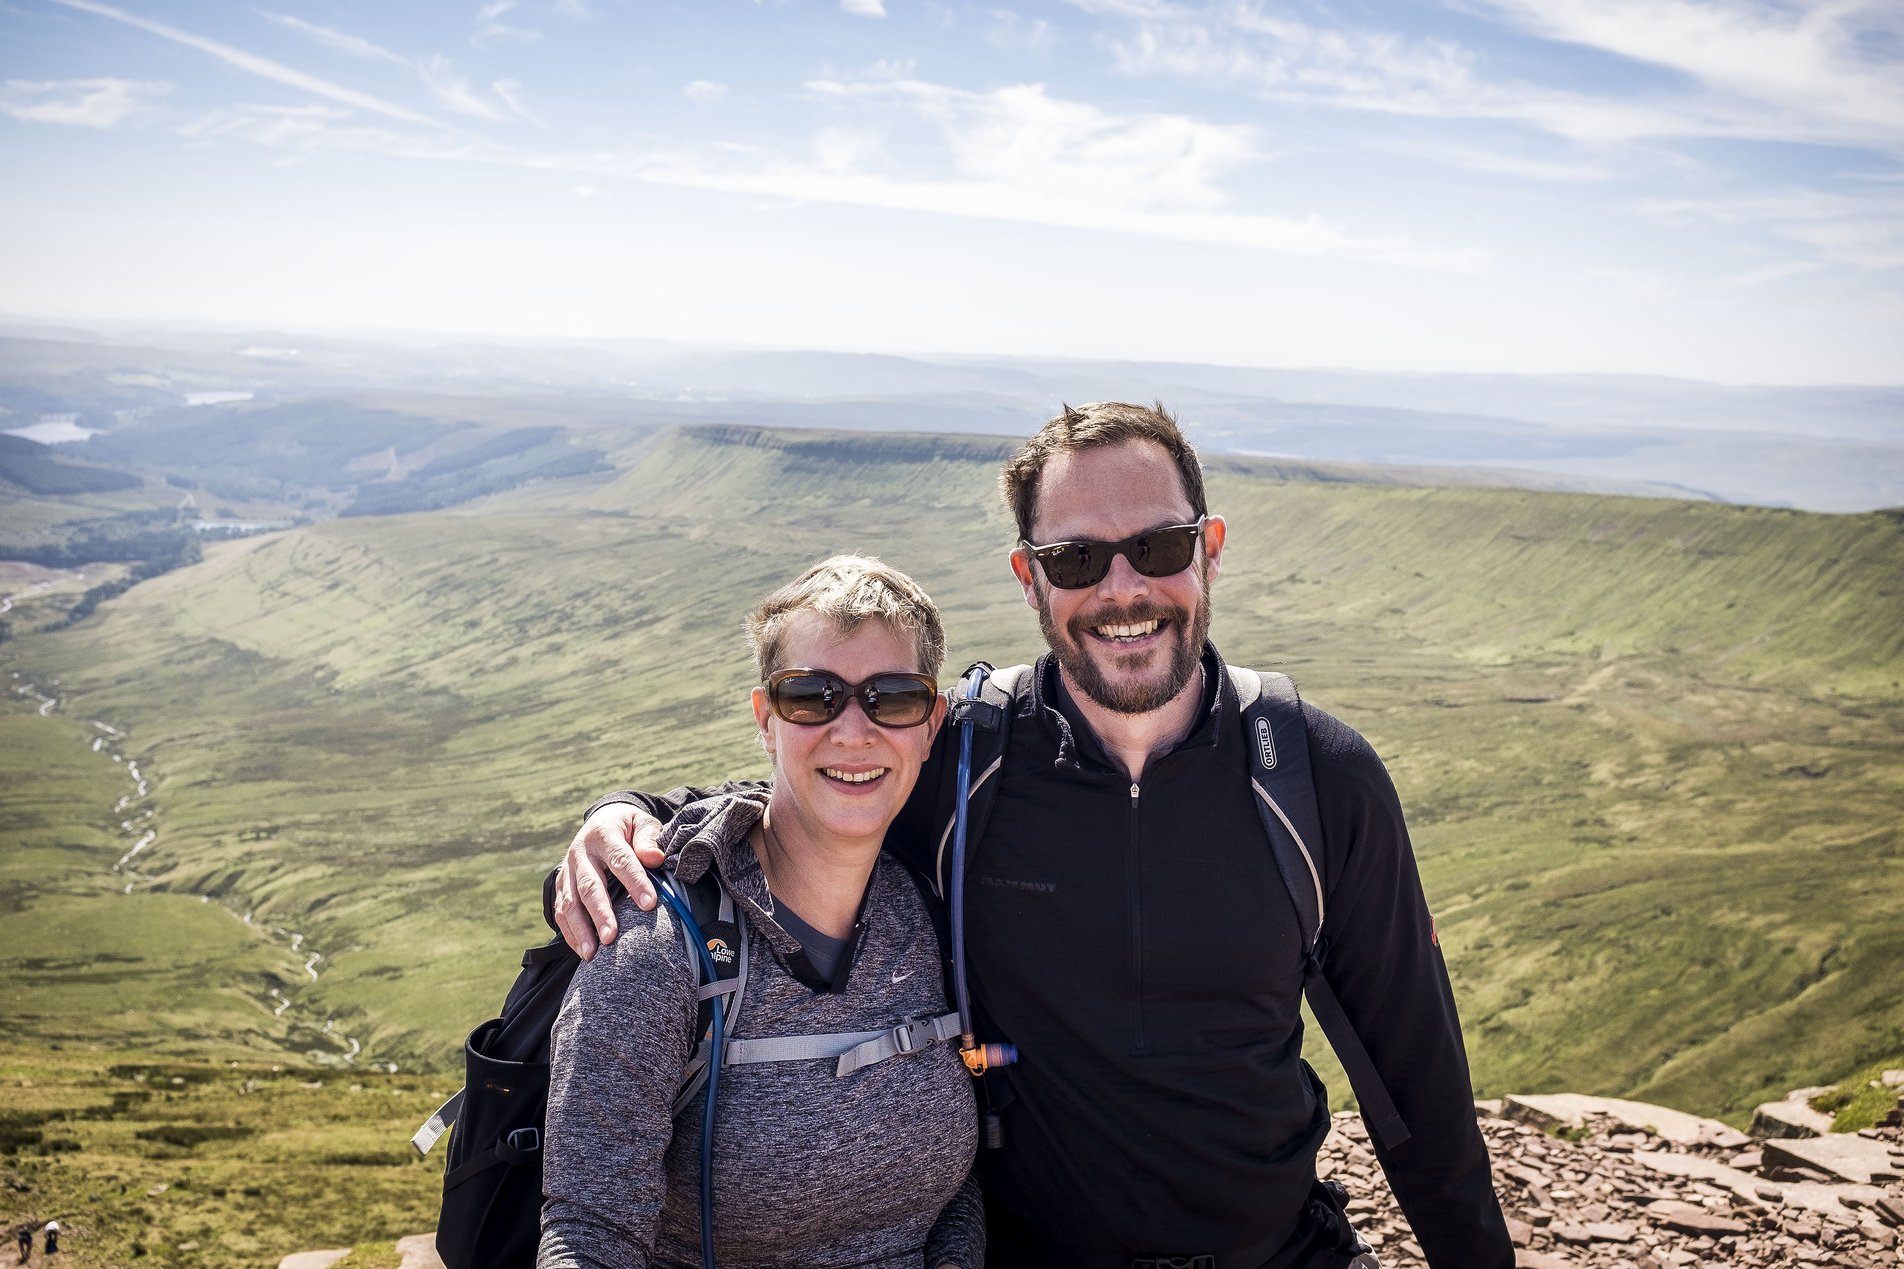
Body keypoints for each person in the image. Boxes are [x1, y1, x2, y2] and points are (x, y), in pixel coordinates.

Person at [554, 403, 1513, 1268]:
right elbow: (823, 776)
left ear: (1210, 549)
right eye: (1077, 559)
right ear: (1030, 578)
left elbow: (1416, 1082)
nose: (1123, 589)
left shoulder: (1314, 773)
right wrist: (622, 808)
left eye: (1160, 546)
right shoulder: (970, 763)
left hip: (1277, 1252)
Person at [538, 555, 984, 1269]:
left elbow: (951, 1190)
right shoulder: (658, 944)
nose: (853, 730)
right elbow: (589, 1233)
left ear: (930, 724)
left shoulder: (928, 914)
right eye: (812, 695)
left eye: (891, 697)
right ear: (765, 719)